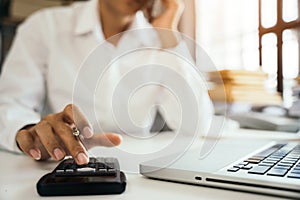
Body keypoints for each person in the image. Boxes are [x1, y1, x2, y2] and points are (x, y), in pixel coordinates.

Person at [0, 0, 213, 165]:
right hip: (65, 163)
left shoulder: (159, 38)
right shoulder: (46, 26)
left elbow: (196, 124)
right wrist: (32, 134)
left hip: (140, 170)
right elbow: (11, 104)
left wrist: (169, 34)